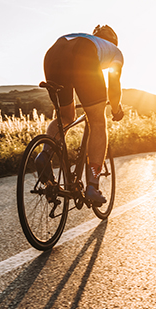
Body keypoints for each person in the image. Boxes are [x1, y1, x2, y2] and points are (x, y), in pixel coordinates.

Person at [36, 25, 125, 206]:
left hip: (53, 54)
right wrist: (116, 109)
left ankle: (45, 155)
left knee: (65, 117)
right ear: (113, 41)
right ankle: (92, 185)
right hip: (83, 56)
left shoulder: (85, 37)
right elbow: (114, 84)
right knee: (98, 122)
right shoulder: (115, 51)